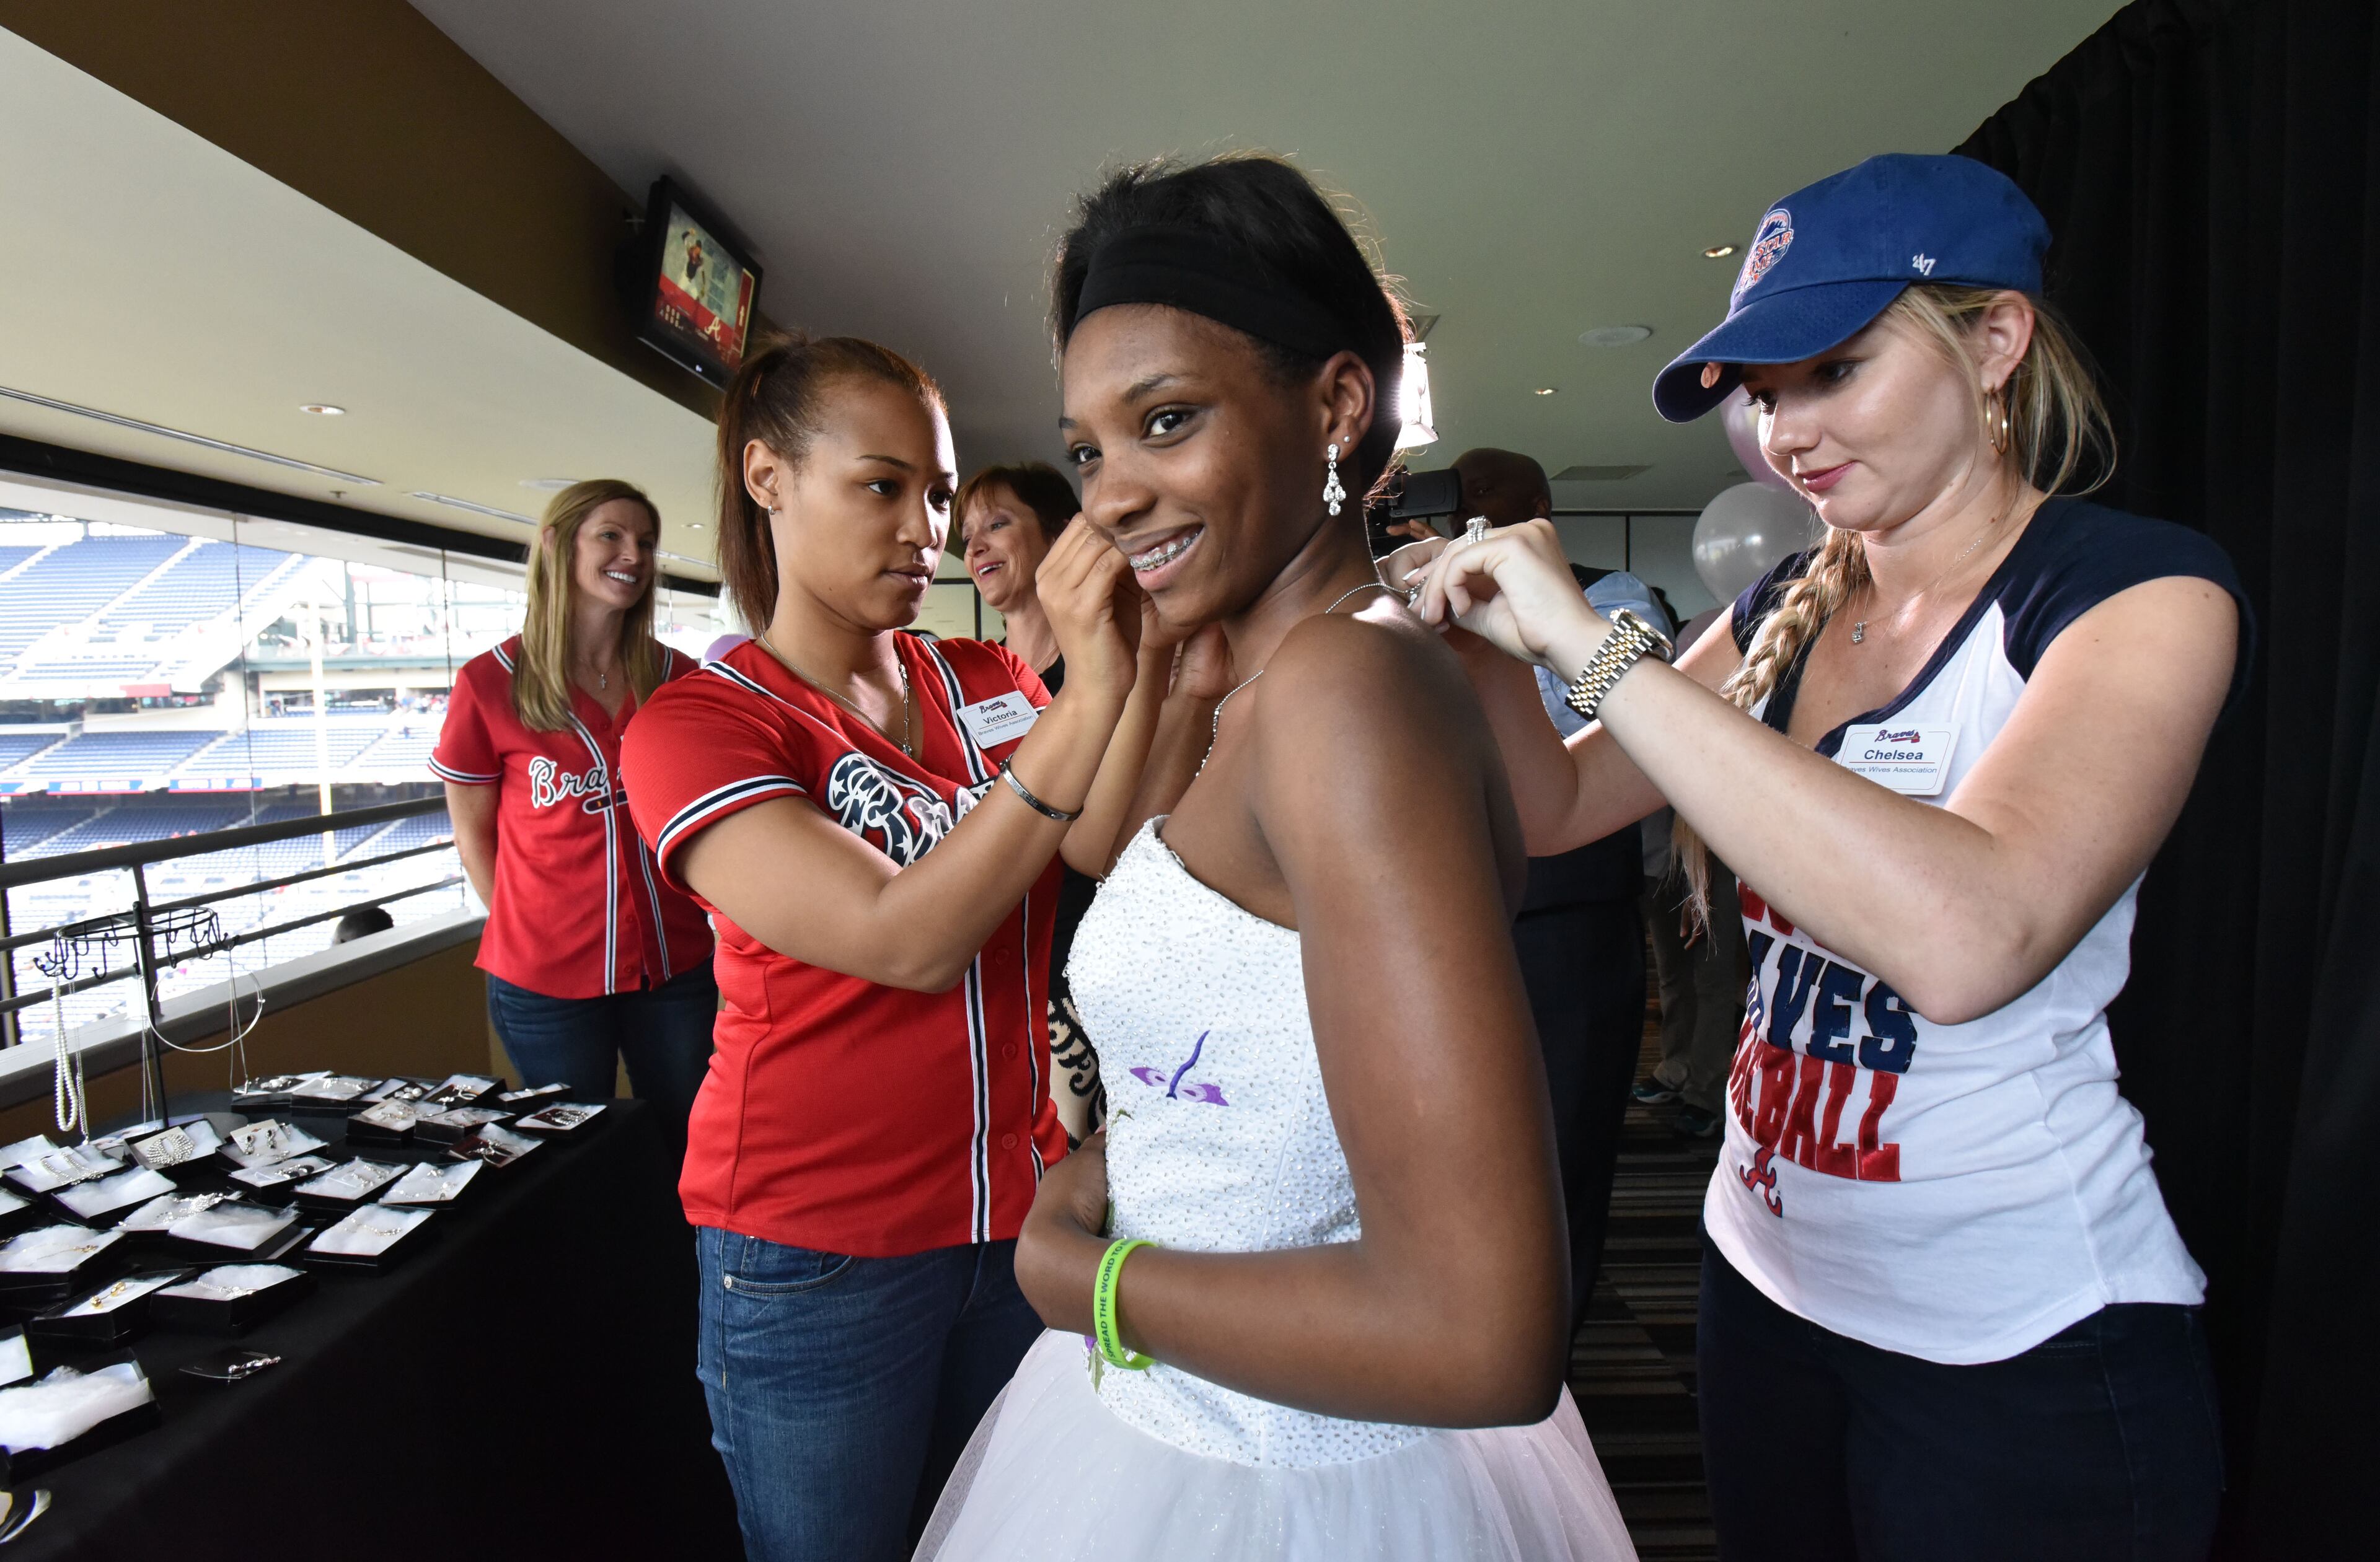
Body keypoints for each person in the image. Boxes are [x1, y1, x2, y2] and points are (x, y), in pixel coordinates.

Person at [1412, 152, 2240, 1560]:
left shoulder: (2133, 590)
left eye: (1832, 370)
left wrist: (1586, 645)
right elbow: (1551, 813)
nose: (1785, 431)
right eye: (1763, 391)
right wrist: (1485, 639)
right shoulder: (1790, 602)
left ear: (1993, 342)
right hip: (1765, 1277)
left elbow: (1969, 933)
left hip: (2012, 1332)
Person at [917, 153, 1634, 1562]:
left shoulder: (1344, 697)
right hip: (1165, 1418)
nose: (1111, 496)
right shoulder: (1261, 682)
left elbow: (1482, 1333)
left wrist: (1091, 1278)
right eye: (1086, 452)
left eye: (1164, 422)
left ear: (1333, 404)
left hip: (1284, 1479)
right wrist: (1126, 1154)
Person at [617, 332, 1155, 1562]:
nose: (928, 526)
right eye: (882, 485)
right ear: (768, 479)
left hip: (1014, 1216)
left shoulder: (981, 673)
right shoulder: (701, 724)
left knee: (1000, 1540)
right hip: (819, 1255)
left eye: (937, 493)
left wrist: (1134, 655)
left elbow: (1095, 841)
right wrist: (1080, 709)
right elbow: (902, 939)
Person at [432, 479, 716, 1131]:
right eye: (611, 535)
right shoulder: (488, 682)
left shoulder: (678, 678)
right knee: (574, 1155)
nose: (634, 555)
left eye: (646, 542)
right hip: (545, 977)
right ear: (558, 545)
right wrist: (533, 928)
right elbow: (475, 838)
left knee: (688, 1139)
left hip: (671, 964)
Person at [1451, 445, 1661, 1325]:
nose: (1467, 519)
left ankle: (1552, 1352)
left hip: (1572, 913)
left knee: (1565, 1139)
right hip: (1465, 911)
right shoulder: (1435, 610)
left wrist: (1530, 627)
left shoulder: (1609, 597)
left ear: (1536, 506)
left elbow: (1601, 716)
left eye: (1482, 503)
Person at [956, 462, 1118, 1141]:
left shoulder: (1109, 666)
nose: (976, 548)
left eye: (998, 524)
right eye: (966, 536)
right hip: (997, 946)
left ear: (1061, 536)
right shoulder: (966, 677)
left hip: (1088, 941)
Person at [1633, 608, 1747, 1141]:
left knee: (1717, 976)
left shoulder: (1763, 637)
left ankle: (1707, 1088)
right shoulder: (1699, 629)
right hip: (1665, 851)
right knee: (1673, 970)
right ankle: (1674, 1065)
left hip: (1723, 848)